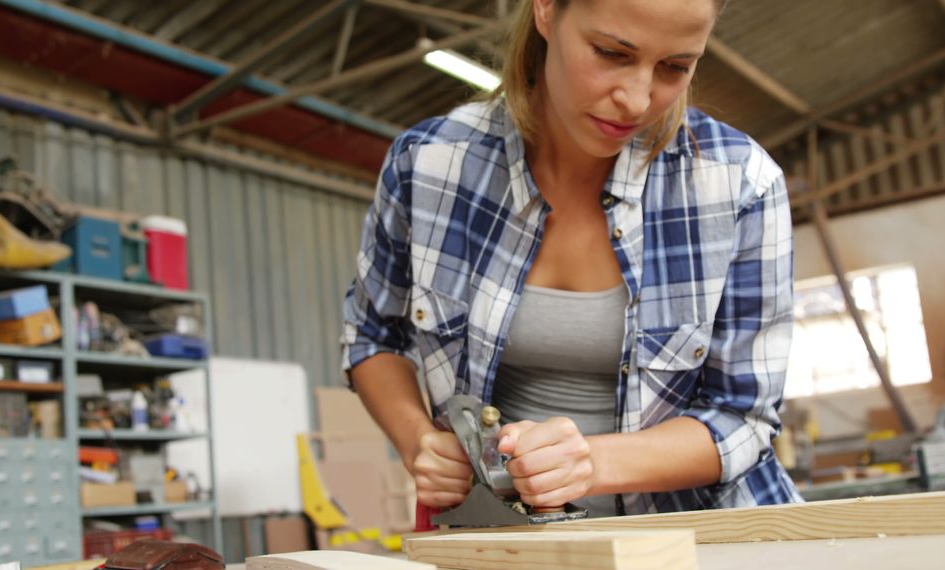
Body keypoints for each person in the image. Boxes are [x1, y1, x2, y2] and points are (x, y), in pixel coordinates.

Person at [341, 0, 801, 518]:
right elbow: (372, 335)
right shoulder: (428, 166)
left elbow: (745, 416)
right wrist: (418, 440)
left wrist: (592, 462)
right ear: (544, 10)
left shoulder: (737, 183)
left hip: (696, 538)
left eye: (675, 67)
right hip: (503, 544)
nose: (636, 99)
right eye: (610, 53)